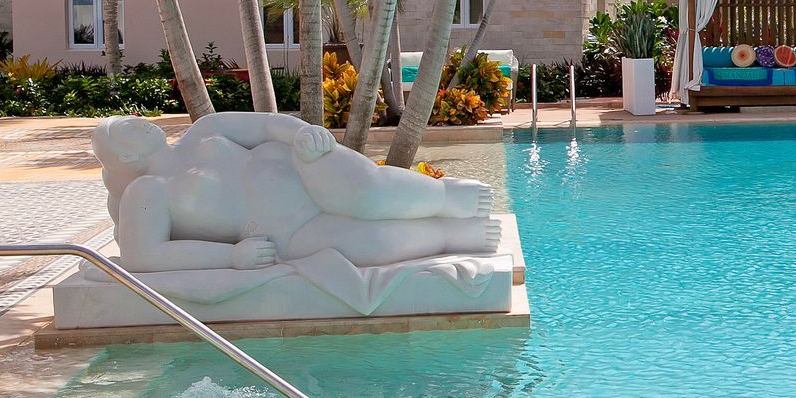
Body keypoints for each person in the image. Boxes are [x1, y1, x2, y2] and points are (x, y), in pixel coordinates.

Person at [93, 114, 500, 274]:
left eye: (135, 118)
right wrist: (231, 256)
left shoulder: (204, 131)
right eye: (125, 127)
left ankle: (444, 196)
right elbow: (143, 256)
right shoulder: (147, 192)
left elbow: (268, 126)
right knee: (373, 243)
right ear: (125, 154)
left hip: (302, 168)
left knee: (369, 194)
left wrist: (302, 133)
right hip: (287, 231)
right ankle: (447, 235)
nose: (140, 121)